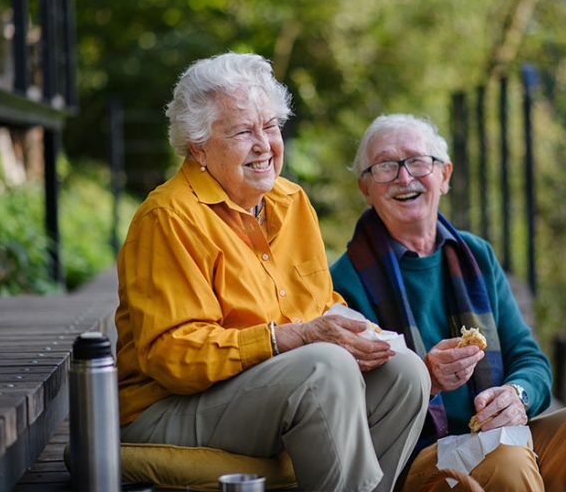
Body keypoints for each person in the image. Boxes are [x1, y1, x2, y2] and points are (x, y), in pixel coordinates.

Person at [114, 55, 431, 492]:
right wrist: (288, 338)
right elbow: (173, 357)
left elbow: (316, 305)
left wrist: (356, 329)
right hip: (167, 407)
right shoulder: (168, 218)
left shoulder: (292, 201)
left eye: (271, 126)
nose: (264, 144)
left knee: (406, 373)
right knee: (326, 368)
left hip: (270, 390)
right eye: (244, 131)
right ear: (198, 146)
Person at [330, 114, 566, 492]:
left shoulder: (476, 255)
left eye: (418, 161)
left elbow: (529, 359)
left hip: (502, 440)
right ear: (365, 188)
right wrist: (426, 380)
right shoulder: (344, 280)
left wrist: (518, 396)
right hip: (414, 462)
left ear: (445, 176)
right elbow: (354, 409)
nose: (404, 177)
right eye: (385, 166)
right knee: (507, 464)